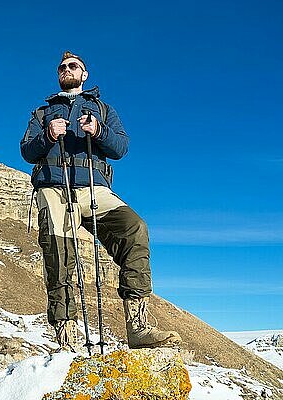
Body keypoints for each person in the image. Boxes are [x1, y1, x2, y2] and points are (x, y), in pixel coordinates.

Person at [20, 51, 182, 350]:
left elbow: (120, 147)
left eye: (74, 66)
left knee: (134, 229)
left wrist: (98, 130)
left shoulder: (103, 110)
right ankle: (67, 334)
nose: (67, 70)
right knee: (59, 254)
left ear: (85, 75)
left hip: (94, 188)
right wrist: (47, 136)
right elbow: (27, 151)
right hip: (54, 189)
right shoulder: (42, 113)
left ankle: (138, 325)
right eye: (62, 67)